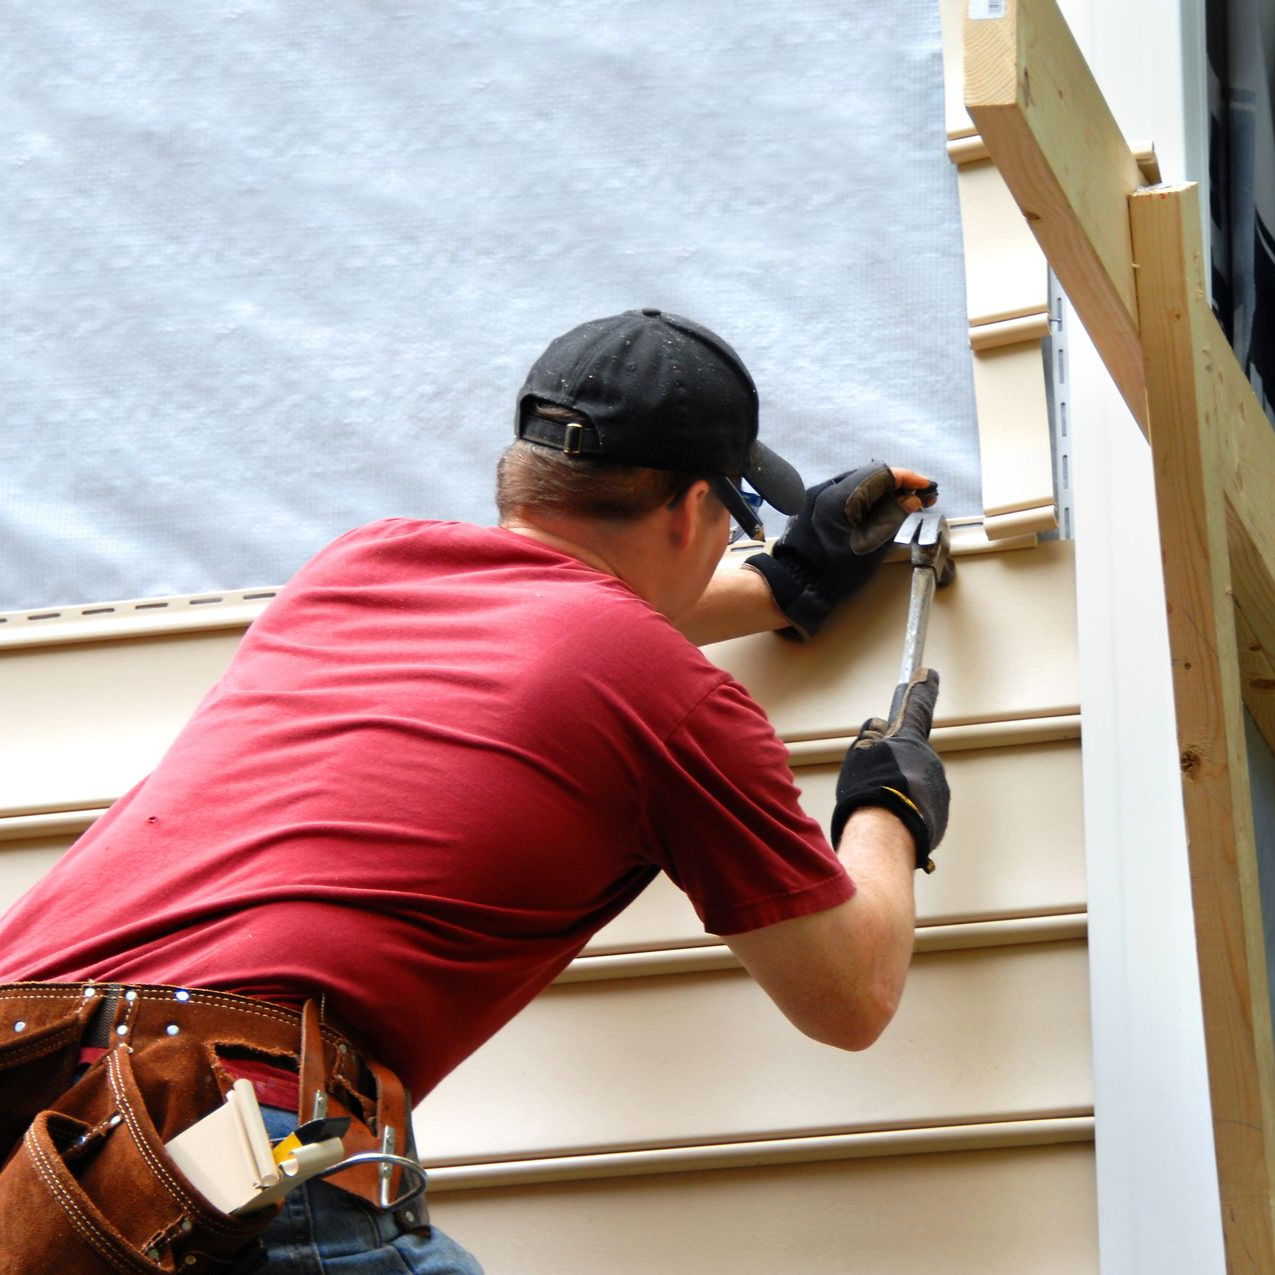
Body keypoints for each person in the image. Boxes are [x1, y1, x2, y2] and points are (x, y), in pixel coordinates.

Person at [0, 308, 949, 1274]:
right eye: (737, 522)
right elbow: (850, 995)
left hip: (34, 1122)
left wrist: (785, 582)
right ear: (688, 510)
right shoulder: (669, 696)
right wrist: (888, 807)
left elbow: (551, 621)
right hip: (213, 1134)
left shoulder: (358, 568)